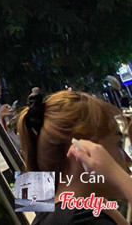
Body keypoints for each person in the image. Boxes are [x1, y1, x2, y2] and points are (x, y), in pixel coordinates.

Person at [17, 87, 130, 223]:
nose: (128, 159)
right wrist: (123, 181)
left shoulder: (55, 215)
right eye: (118, 144)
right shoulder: (84, 220)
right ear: (84, 151)